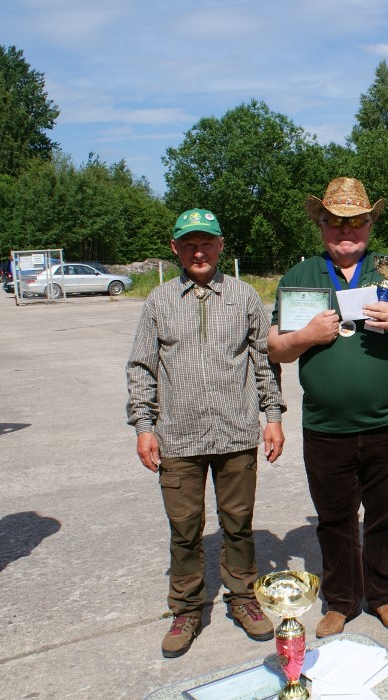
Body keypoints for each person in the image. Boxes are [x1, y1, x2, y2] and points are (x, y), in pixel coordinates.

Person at [266, 177, 388, 639]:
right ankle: (341, 601)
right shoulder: (300, 276)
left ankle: (383, 595)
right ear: (320, 224)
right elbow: (275, 347)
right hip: (326, 427)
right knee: (334, 522)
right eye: (335, 221)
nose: (346, 230)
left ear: (369, 224)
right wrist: (306, 336)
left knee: (386, 518)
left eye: (356, 221)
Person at [126, 209, 286, 659]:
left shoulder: (244, 296)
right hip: (178, 437)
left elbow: (264, 362)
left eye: (207, 243)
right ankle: (186, 608)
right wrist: (144, 427)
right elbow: (141, 368)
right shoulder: (158, 301)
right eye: (190, 244)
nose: (199, 252)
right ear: (175, 248)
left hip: (236, 434)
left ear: (220, 246)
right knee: (184, 528)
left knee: (238, 523)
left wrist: (272, 416)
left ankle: (242, 597)